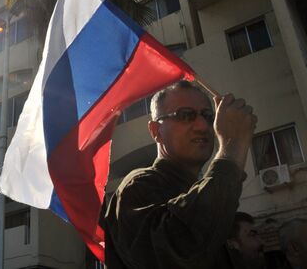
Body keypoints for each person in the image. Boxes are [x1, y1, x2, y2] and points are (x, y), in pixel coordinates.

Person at [104, 80, 257, 269]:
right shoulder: (137, 186)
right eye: (185, 116)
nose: (202, 126)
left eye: (208, 116)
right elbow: (179, 249)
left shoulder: (199, 190)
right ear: (155, 130)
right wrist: (232, 147)